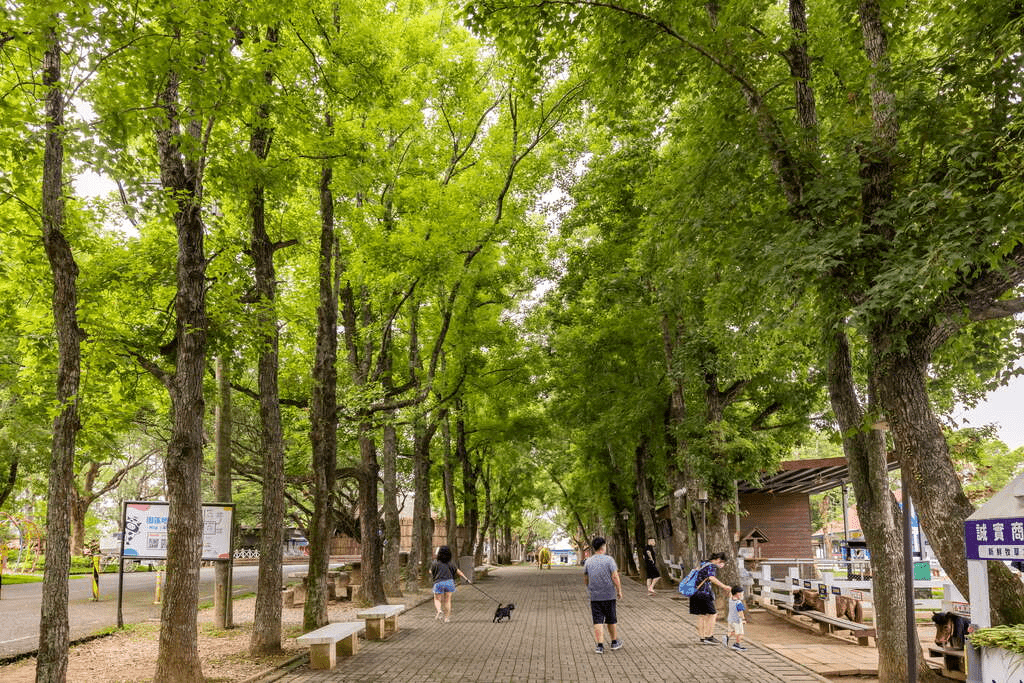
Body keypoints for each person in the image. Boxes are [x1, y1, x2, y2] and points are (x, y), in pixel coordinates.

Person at [583, 536, 623, 654]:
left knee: (597, 620)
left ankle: (599, 645)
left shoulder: (588, 561)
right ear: (603, 547)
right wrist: (619, 590)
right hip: (609, 595)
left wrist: (589, 587)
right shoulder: (609, 560)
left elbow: (586, 578)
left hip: (595, 595)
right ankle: (614, 642)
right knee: (611, 619)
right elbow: (615, 576)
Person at [688, 551, 730, 644]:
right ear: (718, 560)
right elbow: (711, 578)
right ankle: (709, 636)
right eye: (722, 563)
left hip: (694, 592)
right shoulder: (711, 566)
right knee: (712, 614)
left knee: (702, 615)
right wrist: (724, 586)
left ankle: (702, 637)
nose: (722, 565)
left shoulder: (703, 564)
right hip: (703, 593)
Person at [431, 546, 471, 623]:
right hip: (449, 582)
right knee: (447, 601)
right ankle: (446, 618)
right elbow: (458, 572)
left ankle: (439, 611)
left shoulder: (435, 563)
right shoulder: (451, 563)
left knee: (437, 599)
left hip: (438, 582)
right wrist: (466, 579)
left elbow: (431, 571)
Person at [726, 585, 748, 651]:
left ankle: (727, 636)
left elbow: (730, 594)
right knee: (740, 633)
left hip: (730, 619)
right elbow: (740, 612)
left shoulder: (730, 600)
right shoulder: (738, 603)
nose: (742, 595)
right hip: (737, 620)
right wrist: (743, 619)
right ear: (738, 594)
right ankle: (737, 644)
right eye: (742, 594)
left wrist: (731, 590)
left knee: (735, 631)